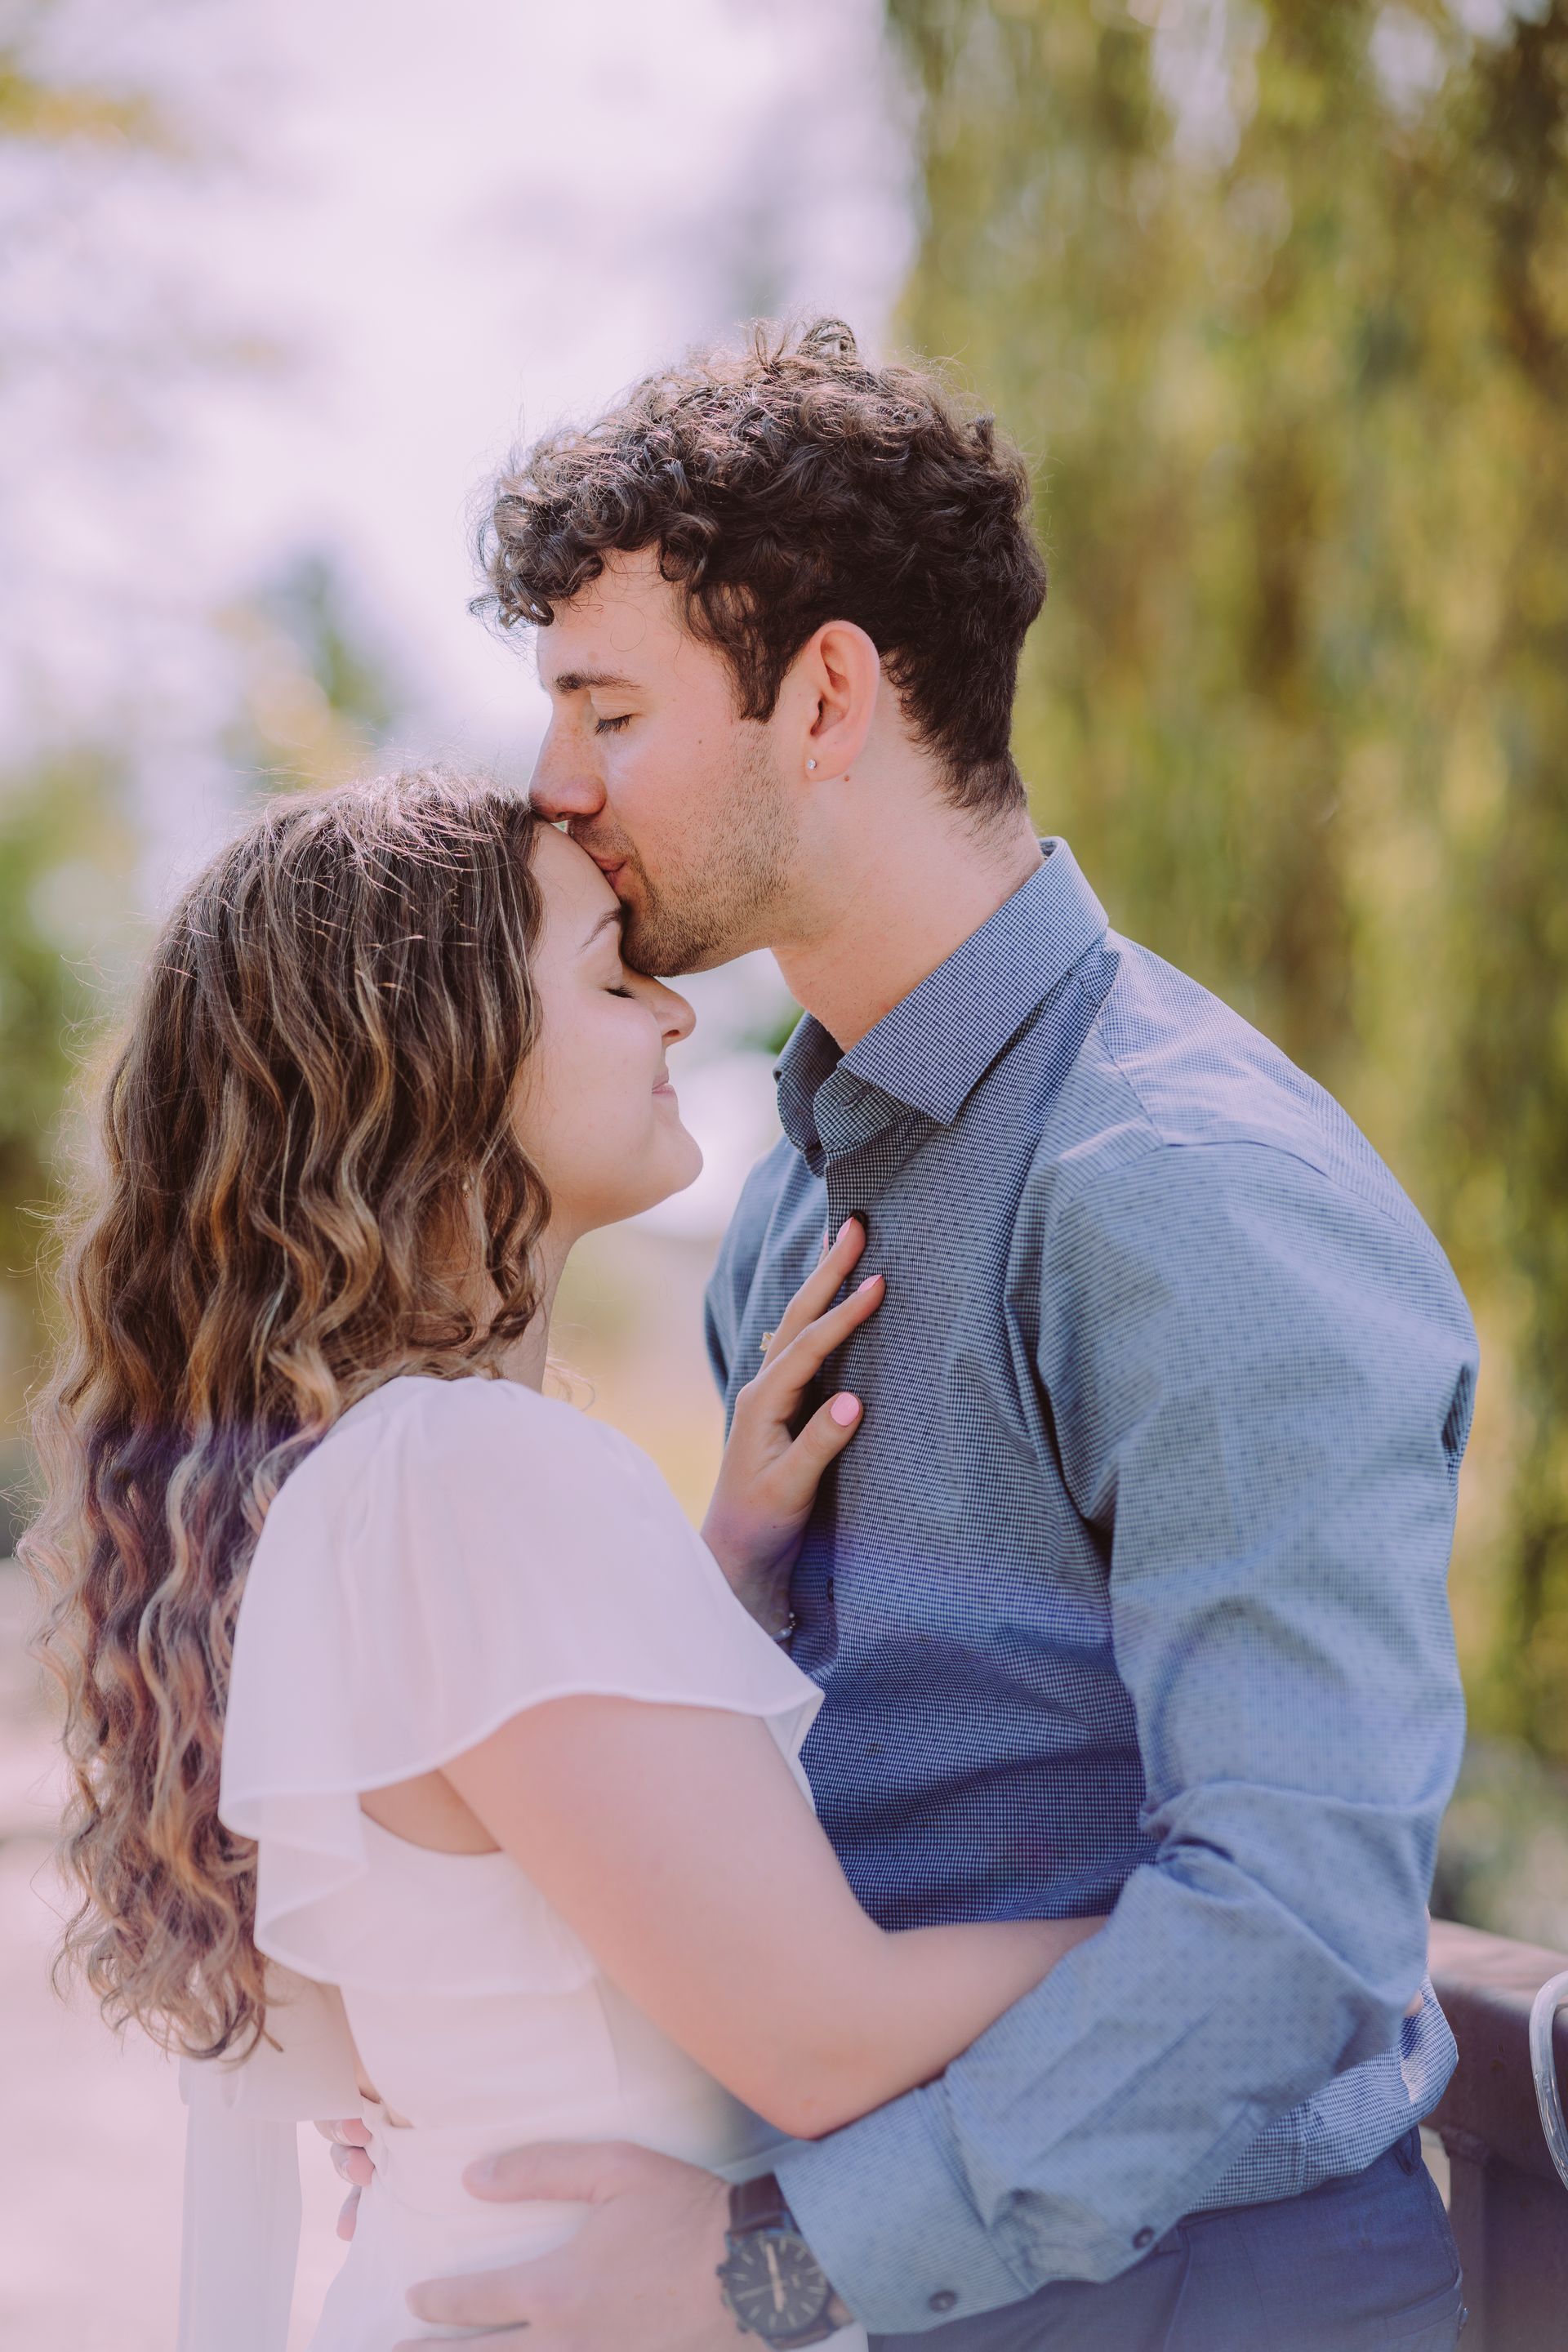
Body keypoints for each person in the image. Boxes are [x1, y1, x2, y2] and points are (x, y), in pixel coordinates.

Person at [327, 320, 1477, 2350]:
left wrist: (774, 2261)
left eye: (606, 706)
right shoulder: (786, 1195)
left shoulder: (1183, 1188)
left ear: (830, 694)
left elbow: (1302, 1919)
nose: (554, 785)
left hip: (1203, 2293)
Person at [25, 774, 1108, 2352]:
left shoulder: (358, 1485)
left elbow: (500, 1881)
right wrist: (1225, 1935)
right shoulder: (476, 1476)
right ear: (436, 1065)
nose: (677, 1014)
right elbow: (821, 2040)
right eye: (613, 970)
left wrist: (712, 1581)